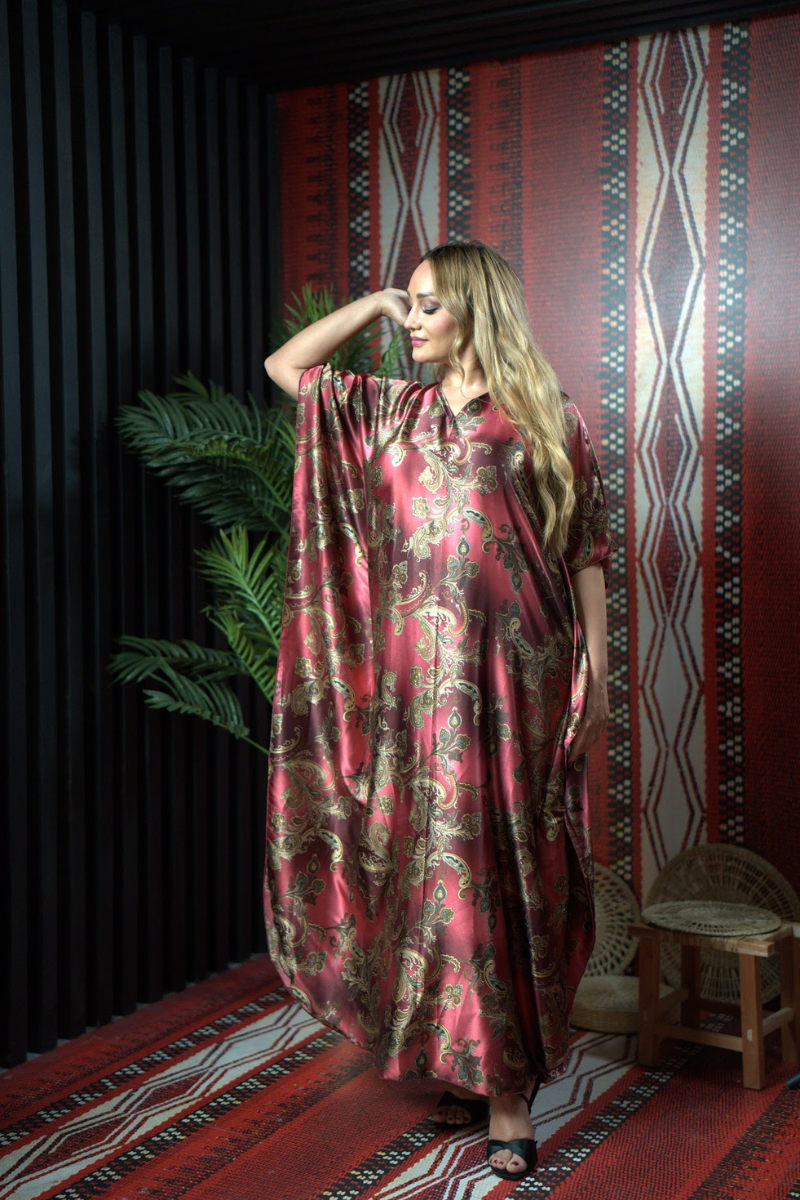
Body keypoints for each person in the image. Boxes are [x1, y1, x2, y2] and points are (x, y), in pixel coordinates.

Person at [263, 240, 612, 1181]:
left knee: (507, 866)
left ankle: (507, 1098)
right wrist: (376, 305)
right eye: (407, 307)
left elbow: (584, 552)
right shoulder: (391, 412)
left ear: (474, 310)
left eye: (427, 306)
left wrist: (600, 671)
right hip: (416, 688)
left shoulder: (546, 419)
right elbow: (287, 368)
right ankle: (467, 1058)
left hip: (518, 677)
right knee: (433, 871)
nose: (411, 322)